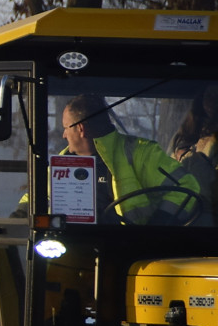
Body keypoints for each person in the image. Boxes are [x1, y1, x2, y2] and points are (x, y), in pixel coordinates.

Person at [60, 93, 201, 224]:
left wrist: (158, 225)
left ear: (80, 129)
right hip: (76, 241)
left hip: (132, 243)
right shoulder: (61, 164)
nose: (64, 135)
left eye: (65, 128)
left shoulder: (140, 153)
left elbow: (186, 186)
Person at [170, 85, 218, 225]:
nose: (212, 101)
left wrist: (191, 159)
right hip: (176, 211)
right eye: (208, 95)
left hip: (208, 218)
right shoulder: (186, 135)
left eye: (216, 96)